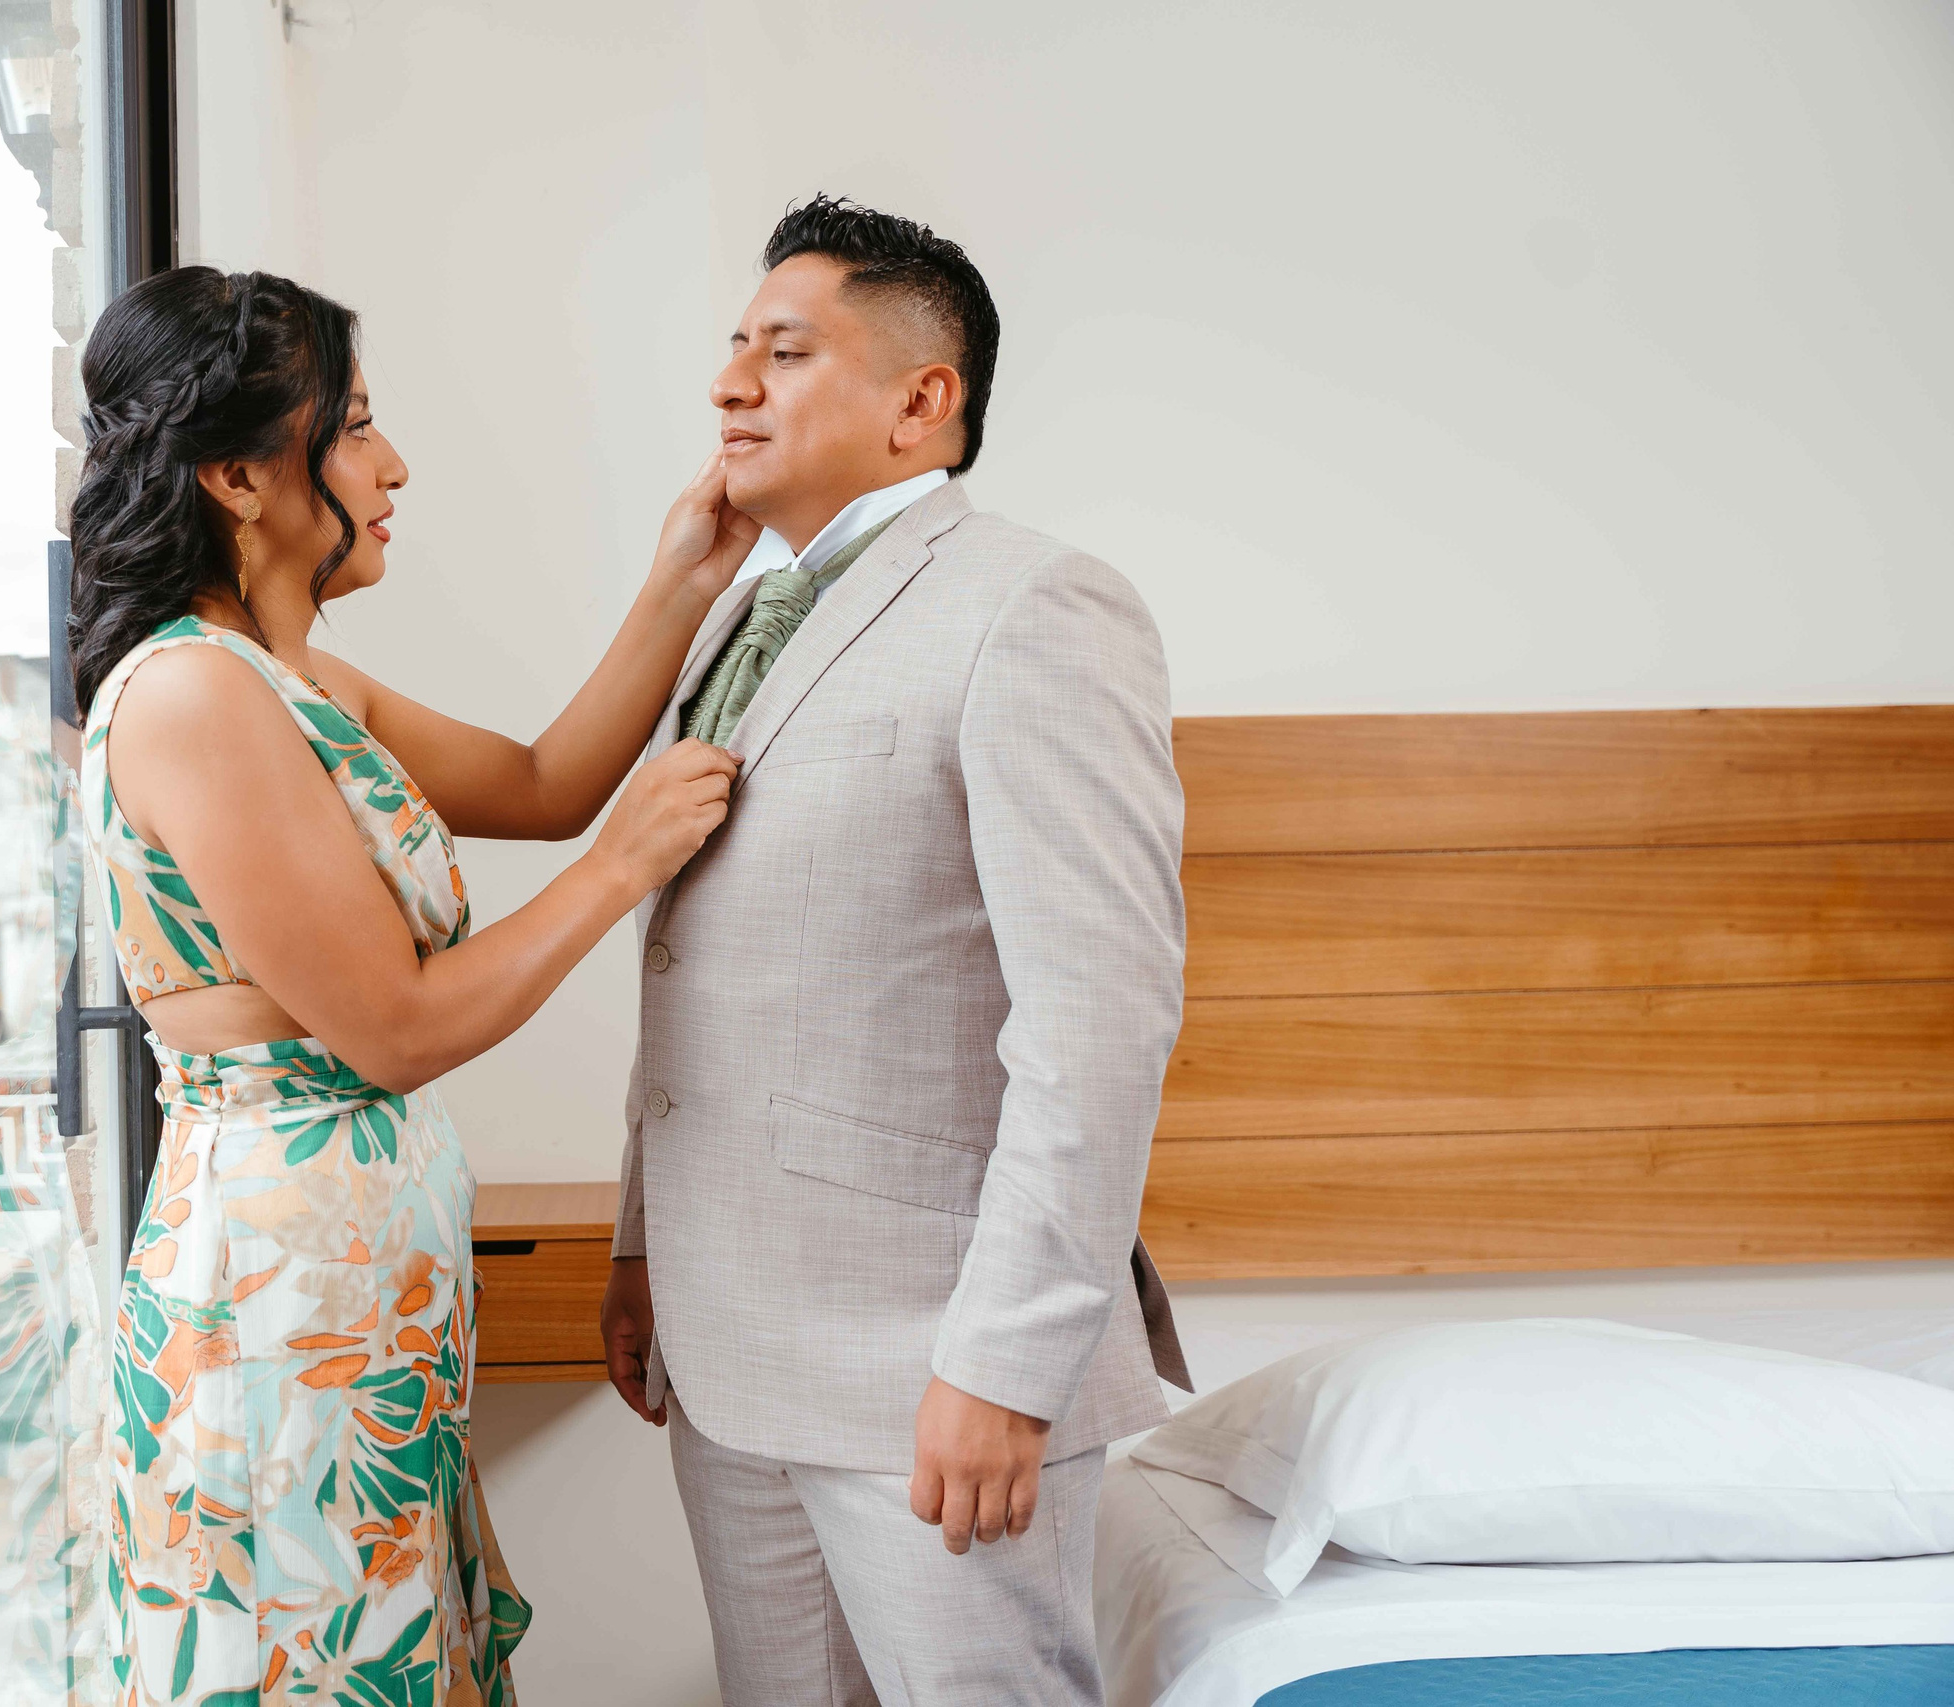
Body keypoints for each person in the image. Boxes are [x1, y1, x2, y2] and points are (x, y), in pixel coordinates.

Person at [70, 265, 757, 1706]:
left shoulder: (289, 678)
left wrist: (684, 579)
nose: (394, 468)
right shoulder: (194, 693)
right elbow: (393, 1027)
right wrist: (627, 868)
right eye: (356, 428)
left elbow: (544, 784)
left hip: (353, 1278)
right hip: (281, 1296)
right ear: (238, 477)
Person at [598, 196, 1194, 1705]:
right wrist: (642, 1242)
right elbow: (700, 958)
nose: (731, 383)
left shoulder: (1037, 605)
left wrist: (1007, 1364)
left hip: (931, 1357)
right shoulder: (741, 613)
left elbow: (1096, 1019)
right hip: (728, 1345)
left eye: (785, 351)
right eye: (735, 346)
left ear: (921, 402)